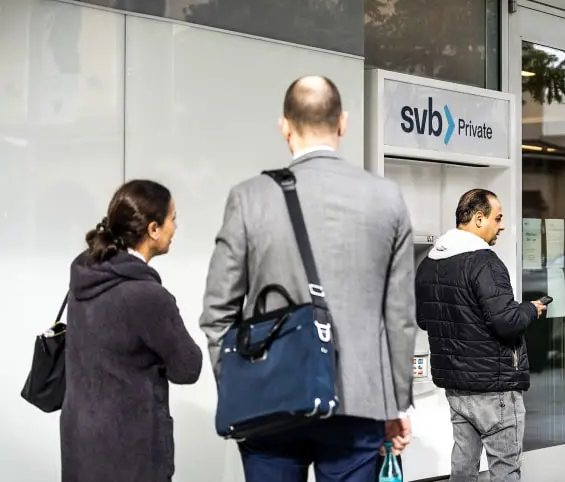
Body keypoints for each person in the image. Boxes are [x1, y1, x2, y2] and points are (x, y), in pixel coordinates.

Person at [200, 75, 417, 482]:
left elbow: (217, 312)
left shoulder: (250, 197)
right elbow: (400, 316)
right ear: (343, 123)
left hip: (271, 399)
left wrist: (240, 382)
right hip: (359, 399)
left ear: (285, 126)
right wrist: (398, 403)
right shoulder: (386, 197)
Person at [61, 180, 203, 482]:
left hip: (80, 448)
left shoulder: (84, 280)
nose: (175, 228)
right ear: (153, 229)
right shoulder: (147, 297)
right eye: (172, 219)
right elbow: (188, 368)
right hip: (131, 455)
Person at [415, 189, 546, 482]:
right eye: (497, 218)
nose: (501, 225)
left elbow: (424, 320)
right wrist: (531, 309)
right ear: (478, 218)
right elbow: (507, 322)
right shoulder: (485, 262)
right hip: (494, 385)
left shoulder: (429, 263)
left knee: (463, 468)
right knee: (505, 471)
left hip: (457, 388)